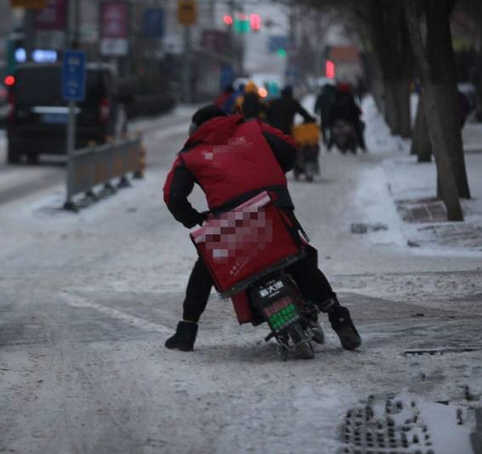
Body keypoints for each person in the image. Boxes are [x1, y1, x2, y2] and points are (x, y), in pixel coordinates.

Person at [162, 104, 362, 352]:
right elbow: (289, 149)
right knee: (300, 260)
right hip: (272, 211)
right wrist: (272, 173)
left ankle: (187, 331)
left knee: (206, 268)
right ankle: (338, 316)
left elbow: (172, 196)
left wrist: (193, 219)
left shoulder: (190, 154)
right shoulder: (253, 128)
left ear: (194, 129)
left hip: (231, 227)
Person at [328, 83, 367, 152]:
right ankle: (362, 146)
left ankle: (329, 146)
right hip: (349, 120)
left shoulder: (335, 97)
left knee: (332, 132)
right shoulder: (348, 96)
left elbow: (332, 110)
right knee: (358, 130)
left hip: (339, 120)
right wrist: (358, 112)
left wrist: (331, 121)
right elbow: (354, 108)